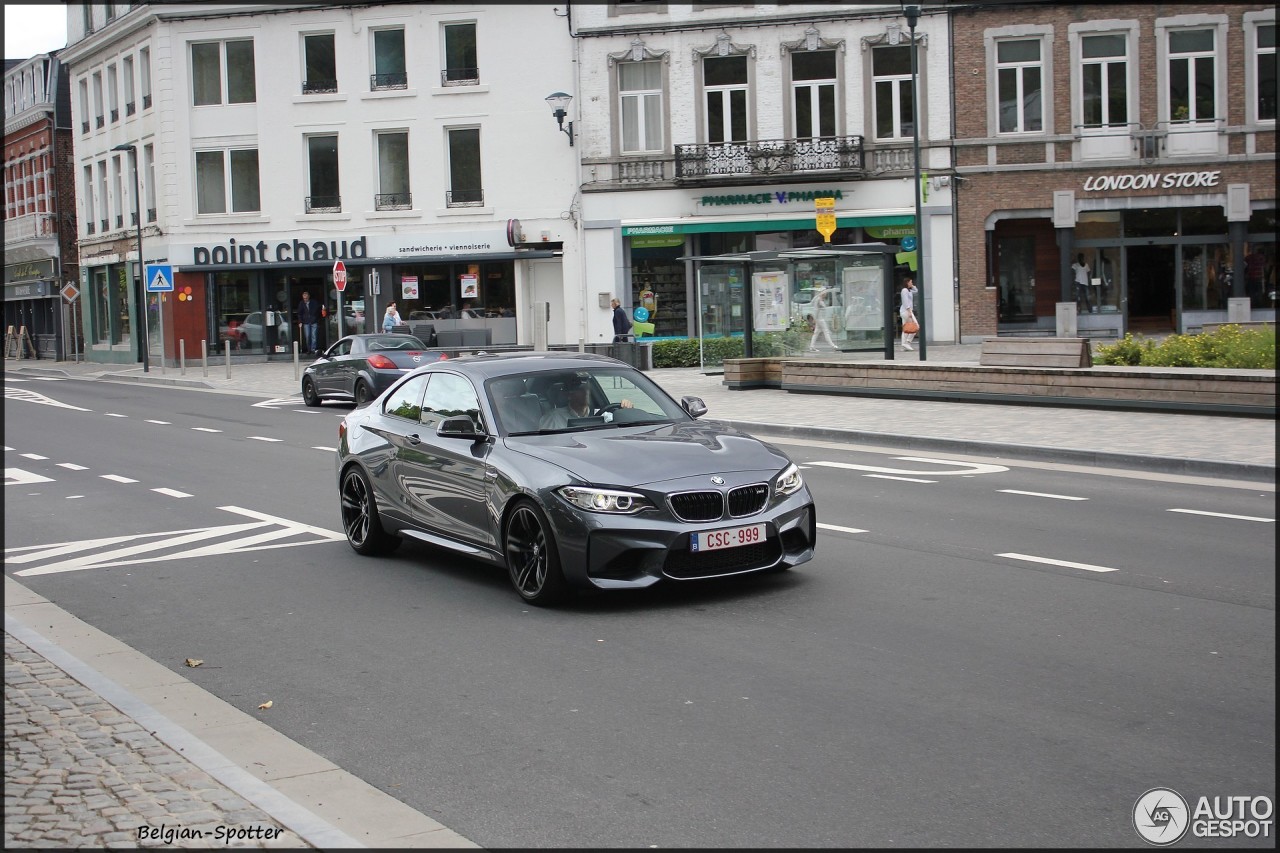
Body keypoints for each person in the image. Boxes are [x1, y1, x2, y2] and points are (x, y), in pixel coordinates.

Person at [540, 377, 631, 429]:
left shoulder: (602, 414)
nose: (586, 392)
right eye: (580, 390)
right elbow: (542, 442)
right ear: (569, 395)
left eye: (587, 389)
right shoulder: (554, 417)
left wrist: (627, 410)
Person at [807, 286, 837, 352]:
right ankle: (832, 345)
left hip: (819, 318)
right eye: (825, 292)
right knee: (826, 331)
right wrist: (815, 319)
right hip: (820, 319)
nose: (826, 294)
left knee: (816, 333)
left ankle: (812, 346)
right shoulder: (818, 299)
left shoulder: (819, 299)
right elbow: (816, 310)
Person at [899, 276, 918, 351]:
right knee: (915, 326)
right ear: (907, 283)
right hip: (906, 311)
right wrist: (909, 311)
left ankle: (904, 346)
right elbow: (905, 301)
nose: (912, 283)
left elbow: (916, 291)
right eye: (911, 282)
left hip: (907, 311)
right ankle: (907, 342)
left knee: (906, 329)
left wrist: (912, 286)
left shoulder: (908, 290)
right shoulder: (904, 290)